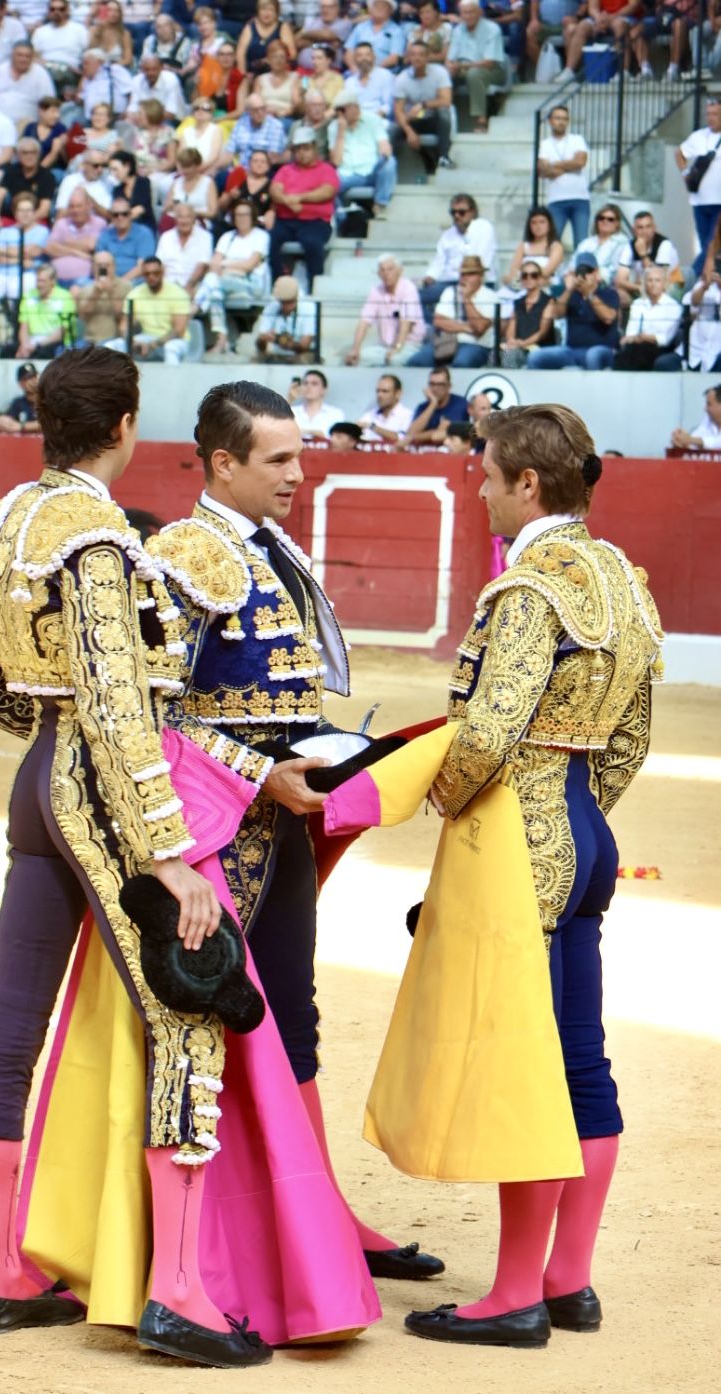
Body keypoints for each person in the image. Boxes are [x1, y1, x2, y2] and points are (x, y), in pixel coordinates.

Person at [0, 345, 279, 1366]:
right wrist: (170, 851)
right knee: (187, 1002)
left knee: (10, 1023)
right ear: (128, 423)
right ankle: (176, 1288)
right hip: (95, 787)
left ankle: (5, 1274)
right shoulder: (93, 532)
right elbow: (114, 701)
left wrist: (45, 749)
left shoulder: (5, 519)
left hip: (37, 778)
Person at [331, 403, 662, 1349]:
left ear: (528, 483)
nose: (477, 488)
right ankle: (569, 1280)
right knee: (580, 1057)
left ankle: (513, 1295)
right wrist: (579, 807)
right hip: (585, 829)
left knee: (526, 1064)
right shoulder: (621, 584)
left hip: (521, 839)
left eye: (486, 473)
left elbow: (484, 732)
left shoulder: (530, 591)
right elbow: (631, 733)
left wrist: (453, 803)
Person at [146, 378, 446, 1287]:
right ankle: (187, 1253)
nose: (299, 474)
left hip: (279, 823)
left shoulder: (266, 546)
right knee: (199, 1020)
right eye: (279, 459)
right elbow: (146, 715)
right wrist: (257, 773)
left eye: (299, 454)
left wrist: (323, 761)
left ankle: (319, 1212)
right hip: (209, 836)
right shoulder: (181, 556)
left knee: (294, 1013)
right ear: (223, 461)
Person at [267, 127, 339, 290]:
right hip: (286, 220)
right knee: (271, 241)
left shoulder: (326, 169)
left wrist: (299, 198)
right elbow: (274, 190)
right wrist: (287, 200)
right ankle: (277, 286)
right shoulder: (286, 170)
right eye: (298, 149)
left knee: (312, 243)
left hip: (315, 222)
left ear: (314, 148)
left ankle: (315, 286)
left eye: (306, 148)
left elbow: (327, 191)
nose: (301, 153)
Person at [198, 199, 271, 355]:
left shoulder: (260, 236)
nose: (242, 218)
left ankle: (196, 305)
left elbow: (249, 265)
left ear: (252, 216)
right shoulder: (228, 237)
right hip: (224, 282)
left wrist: (225, 264)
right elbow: (214, 264)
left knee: (212, 281)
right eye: (238, 215)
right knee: (215, 291)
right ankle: (222, 339)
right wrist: (233, 265)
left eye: (245, 214)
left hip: (250, 284)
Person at [527, 253, 619, 369]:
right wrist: (569, 289)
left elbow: (608, 318)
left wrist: (589, 294)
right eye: (580, 271)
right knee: (536, 357)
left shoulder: (609, 293)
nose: (584, 275)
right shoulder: (571, 295)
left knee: (592, 356)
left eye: (588, 271)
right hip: (572, 350)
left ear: (596, 273)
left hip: (602, 349)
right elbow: (556, 314)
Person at [409, 253, 499, 369]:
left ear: (480, 276)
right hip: (447, 343)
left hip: (476, 345)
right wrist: (466, 327)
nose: (465, 277)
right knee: (416, 361)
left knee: (462, 364)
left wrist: (467, 299)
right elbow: (438, 321)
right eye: (463, 274)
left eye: (470, 274)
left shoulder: (490, 296)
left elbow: (480, 328)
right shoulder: (450, 292)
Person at [420, 193, 497, 321]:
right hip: (450, 282)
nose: (456, 216)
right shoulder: (447, 235)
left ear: (472, 212)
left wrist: (464, 279)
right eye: (453, 212)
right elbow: (438, 262)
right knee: (414, 298)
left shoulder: (484, 228)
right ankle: (439, 326)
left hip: (479, 281)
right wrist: (430, 276)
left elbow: (481, 262)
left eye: (461, 212)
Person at [0, 189, 50, 330]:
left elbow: (33, 252)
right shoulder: (5, 231)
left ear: (34, 211)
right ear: (15, 212)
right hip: (2, 274)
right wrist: (21, 256)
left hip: (29, 274)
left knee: (16, 290)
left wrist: (8, 252)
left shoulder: (43, 231)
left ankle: (16, 331)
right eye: (21, 210)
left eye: (29, 210)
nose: (25, 214)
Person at [344, 253, 425, 366]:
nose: (386, 274)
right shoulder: (376, 291)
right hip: (384, 346)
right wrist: (355, 348)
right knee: (354, 359)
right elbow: (364, 321)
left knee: (394, 359)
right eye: (383, 270)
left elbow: (406, 323)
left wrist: (397, 348)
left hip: (408, 345)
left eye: (390, 269)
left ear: (399, 271)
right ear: (378, 274)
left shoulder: (408, 289)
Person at [107, 253, 190, 362]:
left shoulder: (178, 293)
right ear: (142, 275)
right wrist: (132, 342)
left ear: (163, 272)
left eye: (156, 273)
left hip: (175, 341)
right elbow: (124, 326)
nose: (151, 277)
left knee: (171, 349)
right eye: (147, 274)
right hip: (146, 337)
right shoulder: (135, 294)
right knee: (111, 346)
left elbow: (178, 331)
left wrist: (151, 345)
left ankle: (173, 379)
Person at [328, 90, 395, 216]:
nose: (356, 110)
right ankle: (340, 218)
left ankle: (380, 205)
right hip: (347, 174)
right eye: (351, 107)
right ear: (340, 113)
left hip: (372, 171)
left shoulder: (373, 120)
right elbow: (336, 161)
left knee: (390, 162)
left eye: (356, 105)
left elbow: (385, 146)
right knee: (329, 185)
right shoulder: (333, 128)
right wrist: (341, 133)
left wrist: (384, 151)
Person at [391, 40, 453, 176]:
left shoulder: (439, 72)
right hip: (413, 120)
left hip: (432, 118)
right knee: (392, 129)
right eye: (413, 55)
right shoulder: (402, 78)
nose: (417, 58)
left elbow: (446, 101)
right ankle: (389, 167)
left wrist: (424, 104)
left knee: (444, 113)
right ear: (408, 57)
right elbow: (398, 111)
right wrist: (409, 131)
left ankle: (444, 157)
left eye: (421, 55)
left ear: (428, 57)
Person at [446, 0, 507, 134]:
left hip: (493, 70)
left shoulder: (492, 28)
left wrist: (462, 65)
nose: (468, 16)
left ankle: (481, 120)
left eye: (471, 12)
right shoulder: (458, 30)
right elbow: (451, 58)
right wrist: (451, 66)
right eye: (464, 13)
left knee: (474, 74)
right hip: (464, 68)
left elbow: (490, 62)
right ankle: (444, 119)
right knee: (443, 75)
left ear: (480, 12)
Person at [677, 97, 721, 275]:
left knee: (711, 245)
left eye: (715, 114)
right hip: (699, 201)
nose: (711, 118)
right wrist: (685, 173)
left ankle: (687, 278)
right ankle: (707, 281)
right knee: (707, 247)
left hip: (719, 202)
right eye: (708, 114)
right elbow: (679, 153)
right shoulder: (699, 136)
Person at [536, 105, 589, 251]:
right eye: (558, 118)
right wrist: (569, 165)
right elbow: (542, 170)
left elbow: (580, 162)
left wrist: (555, 165)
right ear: (550, 121)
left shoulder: (577, 139)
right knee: (553, 242)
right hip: (556, 200)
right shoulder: (545, 144)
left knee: (582, 243)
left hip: (580, 198)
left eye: (565, 119)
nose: (561, 122)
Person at [612, 265, 682, 372]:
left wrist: (643, 337)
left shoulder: (673, 306)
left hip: (660, 349)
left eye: (657, 280)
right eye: (650, 280)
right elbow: (630, 333)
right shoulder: (637, 304)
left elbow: (665, 339)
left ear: (664, 284)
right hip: (636, 346)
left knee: (636, 354)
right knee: (625, 353)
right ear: (645, 284)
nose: (653, 284)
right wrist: (638, 338)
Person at [560, 0, 648, 81]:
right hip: (602, 18)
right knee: (583, 26)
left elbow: (633, 6)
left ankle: (624, 71)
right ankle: (569, 70)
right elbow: (592, 8)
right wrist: (599, 18)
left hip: (625, 16)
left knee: (620, 25)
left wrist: (612, 17)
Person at [614, 209, 681, 309]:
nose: (644, 231)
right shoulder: (630, 246)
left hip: (669, 286)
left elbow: (658, 280)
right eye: (640, 227)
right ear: (634, 230)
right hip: (643, 287)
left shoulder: (664, 244)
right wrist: (638, 287)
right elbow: (619, 280)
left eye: (648, 227)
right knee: (617, 295)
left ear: (654, 228)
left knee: (656, 291)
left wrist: (643, 255)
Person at [0, 39, 56, 128]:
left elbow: (49, 105)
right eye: (19, 55)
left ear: (32, 58)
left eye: (27, 56)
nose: (23, 59)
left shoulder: (41, 74)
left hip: (27, 127)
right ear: (12, 56)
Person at [0, 135, 57, 225]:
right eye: (25, 153)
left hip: (36, 219)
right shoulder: (11, 171)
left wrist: (23, 223)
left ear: (39, 154)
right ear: (18, 155)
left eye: (33, 152)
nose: (29, 156)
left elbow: (44, 210)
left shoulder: (47, 175)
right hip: (13, 217)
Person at [48, 184, 108, 283]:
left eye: (79, 206)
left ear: (89, 206)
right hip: (56, 279)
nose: (75, 210)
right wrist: (76, 252)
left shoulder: (99, 223)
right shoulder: (62, 223)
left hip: (85, 280)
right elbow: (49, 247)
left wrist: (62, 244)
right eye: (72, 206)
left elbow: (91, 246)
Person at [16, 260, 77, 355]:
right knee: (8, 351)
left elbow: (63, 330)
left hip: (56, 343)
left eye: (43, 281)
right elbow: (23, 326)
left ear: (52, 281)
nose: (39, 285)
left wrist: (37, 345)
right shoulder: (29, 296)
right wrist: (24, 345)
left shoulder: (65, 297)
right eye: (38, 280)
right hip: (32, 342)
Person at [501, 259, 555, 366]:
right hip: (519, 347)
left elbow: (542, 333)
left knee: (510, 355)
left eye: (533, 275)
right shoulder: (518, 302)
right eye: (525, 275)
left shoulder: (549, 301)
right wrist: (511, 341)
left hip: (539, 348)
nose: (529, 278)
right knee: (495, 354)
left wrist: (522, 343)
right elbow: (511, 327)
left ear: (539, 278)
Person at [155, 200, 212, 301]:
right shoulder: (166, 237)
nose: (184, 221)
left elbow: (202, 266)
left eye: (188, 217)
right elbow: (160, 265)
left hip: (193, 285)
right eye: (180, 217)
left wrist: (188, 286)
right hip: (168, 284)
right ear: (175, 219)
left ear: (194, 219)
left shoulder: (205, 237)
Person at [254, 273, 318, 362]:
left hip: (302, 353)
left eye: (289, 302)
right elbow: (260, 346)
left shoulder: (309, 308)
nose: (286, 306)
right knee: (256, 359)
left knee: (302, 359)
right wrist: (263, 339)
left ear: (296, 298)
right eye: (283, 302)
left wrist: (292, 345)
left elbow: (305, 345)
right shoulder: (271, 307)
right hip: (277, 354)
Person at [216, 95, 288, 174]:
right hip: (239, 170)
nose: (260, 113)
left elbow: (272, 159)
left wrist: (250, 173)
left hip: (262, 172)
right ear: (248, 111)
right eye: (255, 110)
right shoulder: (241, 123)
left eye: (263, 108)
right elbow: (229, 153)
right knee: (218, 176)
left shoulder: (275, 126)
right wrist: (212, 169)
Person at [33, 0, 89, 93]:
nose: (56, 12)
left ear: (67, 11)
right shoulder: (40, 32)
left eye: (61, 9)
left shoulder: (79, 30)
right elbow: (35, 55)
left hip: (70, 72)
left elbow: (87, 54)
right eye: (52, 9)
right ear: (48, 12)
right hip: (46, 71)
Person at [72, 247, 129, 340]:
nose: (103, 268)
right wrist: (95, 293)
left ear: (114, 266)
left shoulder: (126, 287)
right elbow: (82, 317)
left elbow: (122, 317)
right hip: (89, 341)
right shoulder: (85, 288)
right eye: (99, 265)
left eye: (107, 265)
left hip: (115, 341)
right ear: (93, 267)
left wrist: (111, 292)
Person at [403, 366, 469, 446]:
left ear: (449, 386)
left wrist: (421, 435)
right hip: (424, 454)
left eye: (440, 384)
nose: (435, 389)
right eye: (432, 384)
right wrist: (433, 403)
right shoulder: (422, 407)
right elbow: (409, 435)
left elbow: (448, 433)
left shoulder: (460, 404)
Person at [504, 205, 563, 290]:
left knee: (543, 281)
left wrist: (526, 273)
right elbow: (514, 269)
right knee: (507, 278)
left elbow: (546, 272)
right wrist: (517, 284)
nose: (538, 226)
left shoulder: (556, 246)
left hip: (545, 286)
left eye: (542, 222)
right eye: (534, 222)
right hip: (523, 283)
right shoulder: (523, 246)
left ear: (549, 224)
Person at [235, 0, 297, 77]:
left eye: (271, 10)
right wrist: (243, 76)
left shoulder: (283, 27)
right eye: (263, 9)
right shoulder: (250, 27)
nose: (267, 13)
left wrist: (270, 60)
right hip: (251, 73)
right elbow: (240, 54)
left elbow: (292, 54)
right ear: (258, 11)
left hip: (275, 72)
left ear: (277, 12)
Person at [572, 202, 628, 285]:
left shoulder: (623, 243)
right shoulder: (586, 243)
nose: (605, 221)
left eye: (610, 219)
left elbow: (615, 270)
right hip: (579, 279)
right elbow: (573, 263)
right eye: (601, 218)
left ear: (617, 223)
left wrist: (592, 276)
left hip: (605, 284)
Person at [345, 0, 406, 71]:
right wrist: (354, 69)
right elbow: (349, 53)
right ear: (370, 9)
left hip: (383, 72)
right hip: (357, 71)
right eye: (376, 6)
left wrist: (372, 71)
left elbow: (394, 58)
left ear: (390, 11)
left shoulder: (396, 31)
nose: (379, 8)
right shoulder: (360, 27)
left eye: (383, 6)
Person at [340, 41, 394, 120]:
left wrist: (372, 119)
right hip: (356, 121)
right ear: (354, 59)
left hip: (380, 120)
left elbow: (388, 105)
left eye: (367, 55)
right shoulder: (349, 82)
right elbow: (347, 106)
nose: (364, 58)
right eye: (359, 55)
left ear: (374, 57)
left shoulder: (385, 75)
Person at [252, 39, 301, 122]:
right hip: (263, 116)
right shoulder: (260, 79)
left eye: (282, 57)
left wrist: (280, 113)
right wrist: (266, 112)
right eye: (274, 57)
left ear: (287, 60)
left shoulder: (295, 77)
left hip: (285, 117)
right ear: (268, 60)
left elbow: (296, 104)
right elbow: (256, 102)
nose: (278, 60)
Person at [358, 372, 414, 443]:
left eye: (385, 391)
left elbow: (402, 438)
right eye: (378, 391)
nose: (379, 395)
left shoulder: (408, 416)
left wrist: (372, 426)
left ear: (398, 394)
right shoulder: (368, 415)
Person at [127, 53, 185, 121]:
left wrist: (144, 116)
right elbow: (131, 110)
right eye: (147, 69)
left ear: (161, 68)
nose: (150, 73)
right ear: (141, 69)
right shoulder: (136, 80)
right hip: (144, 120)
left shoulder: (171, 80)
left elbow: (171, 113)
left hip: (173, 121)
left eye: (154, 69)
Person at [291, 366, 345, 439]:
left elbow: (338, 441)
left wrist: (309, 432)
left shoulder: (335, 414)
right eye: (305, 383)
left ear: (324, 390)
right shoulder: (291, 411)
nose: (308, 386)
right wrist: (290, 399)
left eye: (314, 384)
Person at [671, 384, 721, 449]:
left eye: (709, 404)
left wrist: (691, 440)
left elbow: (717, 442)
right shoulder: (708, 419)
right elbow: (694, 441)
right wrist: (682, 442)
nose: (705, 408)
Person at [0, 362, 43, 434]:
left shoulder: (49, 400)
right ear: (21, 383)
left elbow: (53, 423)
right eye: (28, 378)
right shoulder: (18, 403)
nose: (33, 381)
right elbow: (8, 421)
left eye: (34, 376)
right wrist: (2, 421)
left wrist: (22, 426)